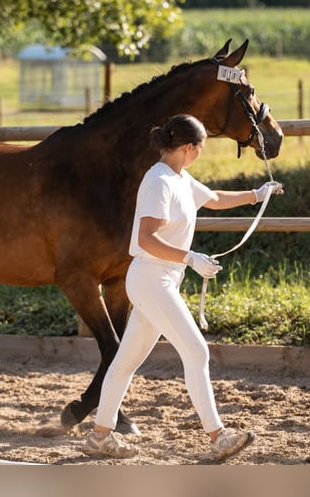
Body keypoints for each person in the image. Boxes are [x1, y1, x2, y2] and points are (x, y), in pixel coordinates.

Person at [81, 114, 283, 460]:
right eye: (201, 147)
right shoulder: (158, 182)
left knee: (125, 361)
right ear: (189, 147)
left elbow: (215, 198)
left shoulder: (180, 177)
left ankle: (100, 435)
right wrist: (189, 257)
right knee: (196, 351)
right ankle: (217, 436)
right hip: (151, 278)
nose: (201, 153)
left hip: (158, 280)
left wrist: (257, 194)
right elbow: (147, 239)